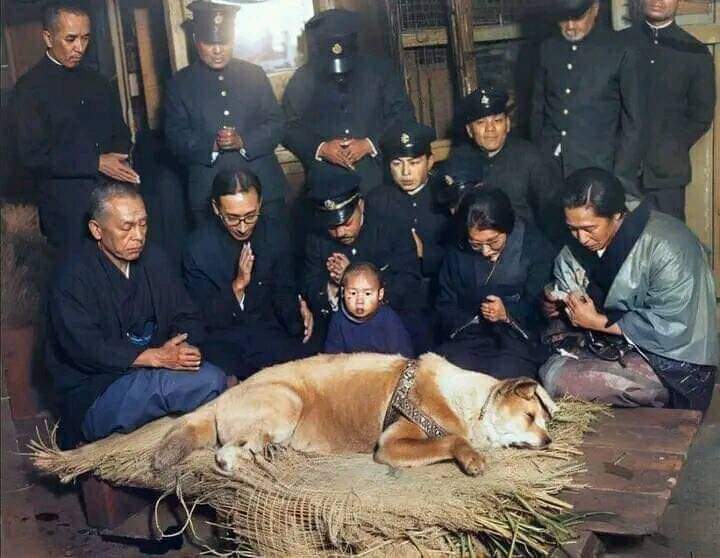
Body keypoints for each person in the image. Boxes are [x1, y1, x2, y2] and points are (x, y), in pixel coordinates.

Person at [47, 182, 226, 450]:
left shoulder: (154, 258)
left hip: (153, 370)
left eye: (143, 224)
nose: (139, 235)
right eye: (127, 227)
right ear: (97, 230)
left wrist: (184, 347)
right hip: (98, 388)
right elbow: (83, 347)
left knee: (214, 373)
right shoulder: (72, 276)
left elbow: (186, 313)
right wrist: (154, 357)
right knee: (209, 382)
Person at [541, 168, 717, 412]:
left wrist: (596, 322)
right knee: (550, 347)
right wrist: (558, 301)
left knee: (554, 376)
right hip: (622, 342)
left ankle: (660, 398)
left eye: (589, 229)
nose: (581, 238)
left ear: (617, 215)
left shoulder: (668, 246)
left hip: (678, 364)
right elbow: (568, 271)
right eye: (573, 229)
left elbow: (672, 327)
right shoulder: (595, 236)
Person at [11, 3, 139, 250]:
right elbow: (31, 156)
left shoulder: (99, 82)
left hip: (110, 201)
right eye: (70, 39)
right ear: (48, 38)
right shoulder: (28, 89)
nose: (79, 48)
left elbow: (120, 132)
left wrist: (122, 155)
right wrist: (96, 162)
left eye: (85, 38)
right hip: (66, 212)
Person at [182, 169, 317, 380]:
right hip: (223, 338)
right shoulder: (197, 248)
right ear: (216, 209)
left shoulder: (276, 233)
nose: (243, 227)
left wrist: (299, 316)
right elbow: (201, 318)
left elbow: (285, 289)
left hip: (267, 331)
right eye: (233, 218)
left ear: (260, 203)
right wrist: (237, 287)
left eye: (250, 216)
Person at [165, 1, 287, 226]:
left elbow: (277, 123)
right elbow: (174, 137)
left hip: (264, 188)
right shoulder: (179, 84)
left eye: (224, 42)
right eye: (209, 43)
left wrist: (244, 141)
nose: (218, 50)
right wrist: (211, 145)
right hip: (208, 192)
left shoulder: (255, 75)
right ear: (195, 41)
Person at [282, 8, 415, 195]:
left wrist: (370, 143)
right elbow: (288, 127)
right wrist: (321, 148)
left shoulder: (381, 71)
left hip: (378, 178)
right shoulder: (303, 78)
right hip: (326, 182)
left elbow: (404, 114)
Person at [302, 165, 427, 351]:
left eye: (346, 222)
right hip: (340, 331)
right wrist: (334, 287)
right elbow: (309, 286)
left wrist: (354, 278)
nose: (340, 232)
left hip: (392, 325)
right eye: (332, 226)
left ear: (360, 205)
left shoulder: (391, 226)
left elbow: (409, 281)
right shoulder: (316, 238)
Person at [436, 188, 556, 379]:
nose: (485, 251)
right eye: (475, 244)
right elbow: (445, 303)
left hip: (518, 339)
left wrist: (507, 314)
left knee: (503, 376)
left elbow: (540, 309)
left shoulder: (535, 248)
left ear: (507, 228)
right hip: (468, 335)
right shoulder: (457, 250)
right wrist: (474, 318)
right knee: (447, 372)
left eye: (493, 242)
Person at [530, 0, 645, 199]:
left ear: (595, 8)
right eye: (563, 19)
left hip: (599, 169)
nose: (570, 26)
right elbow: (537, 108)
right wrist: (539, 157)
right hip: (551, 168)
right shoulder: (547, 49)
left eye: (577, 18)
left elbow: (633, 123)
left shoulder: (621, 50)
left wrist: (621, 176)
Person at [620, 0, 716, 221]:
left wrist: (669, 146)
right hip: (621, 171)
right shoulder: (618, 44)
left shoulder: (695, 52)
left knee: (669, 241)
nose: (657, 1)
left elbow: (701, 115)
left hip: (667, 175)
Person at [447, 87, 557, 233]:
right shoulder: (459, 159)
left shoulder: (529, 157)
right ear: (469, 130)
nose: (490, 129)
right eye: (481, 123)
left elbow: (550, 214)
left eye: (497, 121)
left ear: (507, 124)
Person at [368, 120, 451, 296]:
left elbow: (464, 255)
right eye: (397, 164)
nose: (405, 173)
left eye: (414, 163)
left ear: (430, 162)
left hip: (441, 290)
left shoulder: (448, 195)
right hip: (394, 294)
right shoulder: (377, 201)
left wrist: (424, 252)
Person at [324, 262, 414, 357]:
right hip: (349, 370)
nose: (359, 301)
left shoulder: (389, 319)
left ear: (380, 294)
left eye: (367, 294)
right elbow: (331, 361)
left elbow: (406, 359)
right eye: (353, 293)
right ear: (343, 292)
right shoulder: (338, 320)